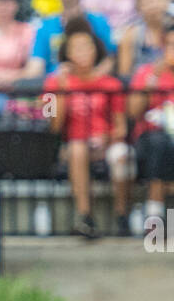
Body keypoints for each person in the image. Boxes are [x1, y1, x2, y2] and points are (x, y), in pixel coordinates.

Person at [44, 19, 131, 239]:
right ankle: (85, 217)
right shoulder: (52, 84)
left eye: (87, 46)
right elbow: (52, 125)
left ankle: (122, 217)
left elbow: (120, 127)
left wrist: (106, 139)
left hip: (105, 143)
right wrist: (61, 89)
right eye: (76, 48)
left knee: (121, 155)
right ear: (67, 53)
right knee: (77, 149)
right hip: (70, 146)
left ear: (96, 51)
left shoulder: (112, 84)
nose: (82, 52)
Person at [129, 18, 174, 226]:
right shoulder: (148, 72)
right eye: (170, 44)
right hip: (151, 140)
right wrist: (153, 79)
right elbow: (134, 111)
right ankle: (154, 215)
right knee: (160, 144)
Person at [26, 0, 114, 75]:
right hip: (57, 88)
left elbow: (111, 58)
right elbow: (36, 64)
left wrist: (93, 76)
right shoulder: (45, 26)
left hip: (94, 87)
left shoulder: (98, 21)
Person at [118, 0, 170, 77]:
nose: (153, 4)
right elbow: (124, 76)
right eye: (146, 0)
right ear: (138, 7)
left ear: (167, 0)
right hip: (142, 88)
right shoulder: (130, 35)